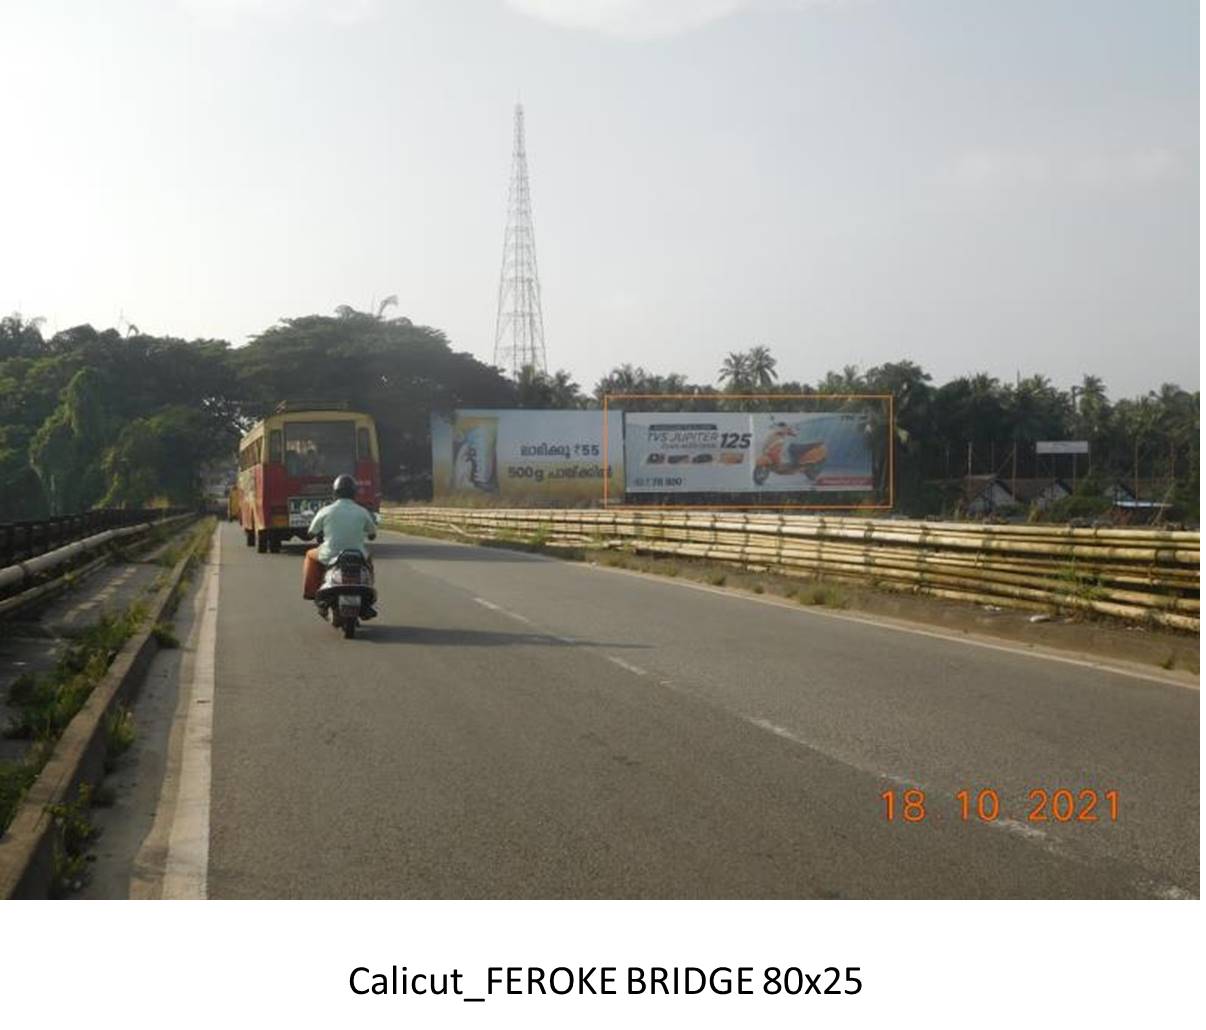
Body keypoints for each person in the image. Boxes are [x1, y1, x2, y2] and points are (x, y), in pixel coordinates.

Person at [302, 474, 378, 618]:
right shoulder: (362, 511)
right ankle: (368, 591)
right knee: (369, 561)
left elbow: (311, 533)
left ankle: (311, 592)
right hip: (358, 555)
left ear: (335, 492)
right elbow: (373, 534)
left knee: (310, 555)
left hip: (329, 555)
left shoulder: (326, 510)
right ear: (354, 493)